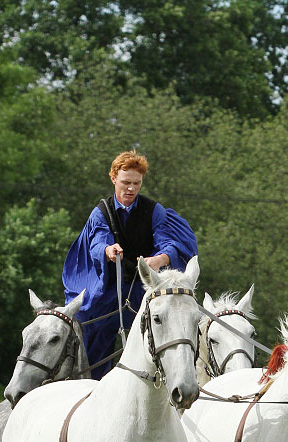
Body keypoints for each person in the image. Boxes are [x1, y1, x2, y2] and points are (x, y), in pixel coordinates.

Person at [62, 150, 199, 379]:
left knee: (169, 324)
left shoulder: (154, 211)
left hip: (142, 287)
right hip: (109, 289)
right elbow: (96, 243)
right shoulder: (101, 213)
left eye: (137, 183)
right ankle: (87, 382)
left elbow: (169, 243)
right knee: (89, 328)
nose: (131, 189)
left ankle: (173, 378)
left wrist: (160, 259)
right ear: (113, 178)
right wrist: (107, 250)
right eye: (126, 182)